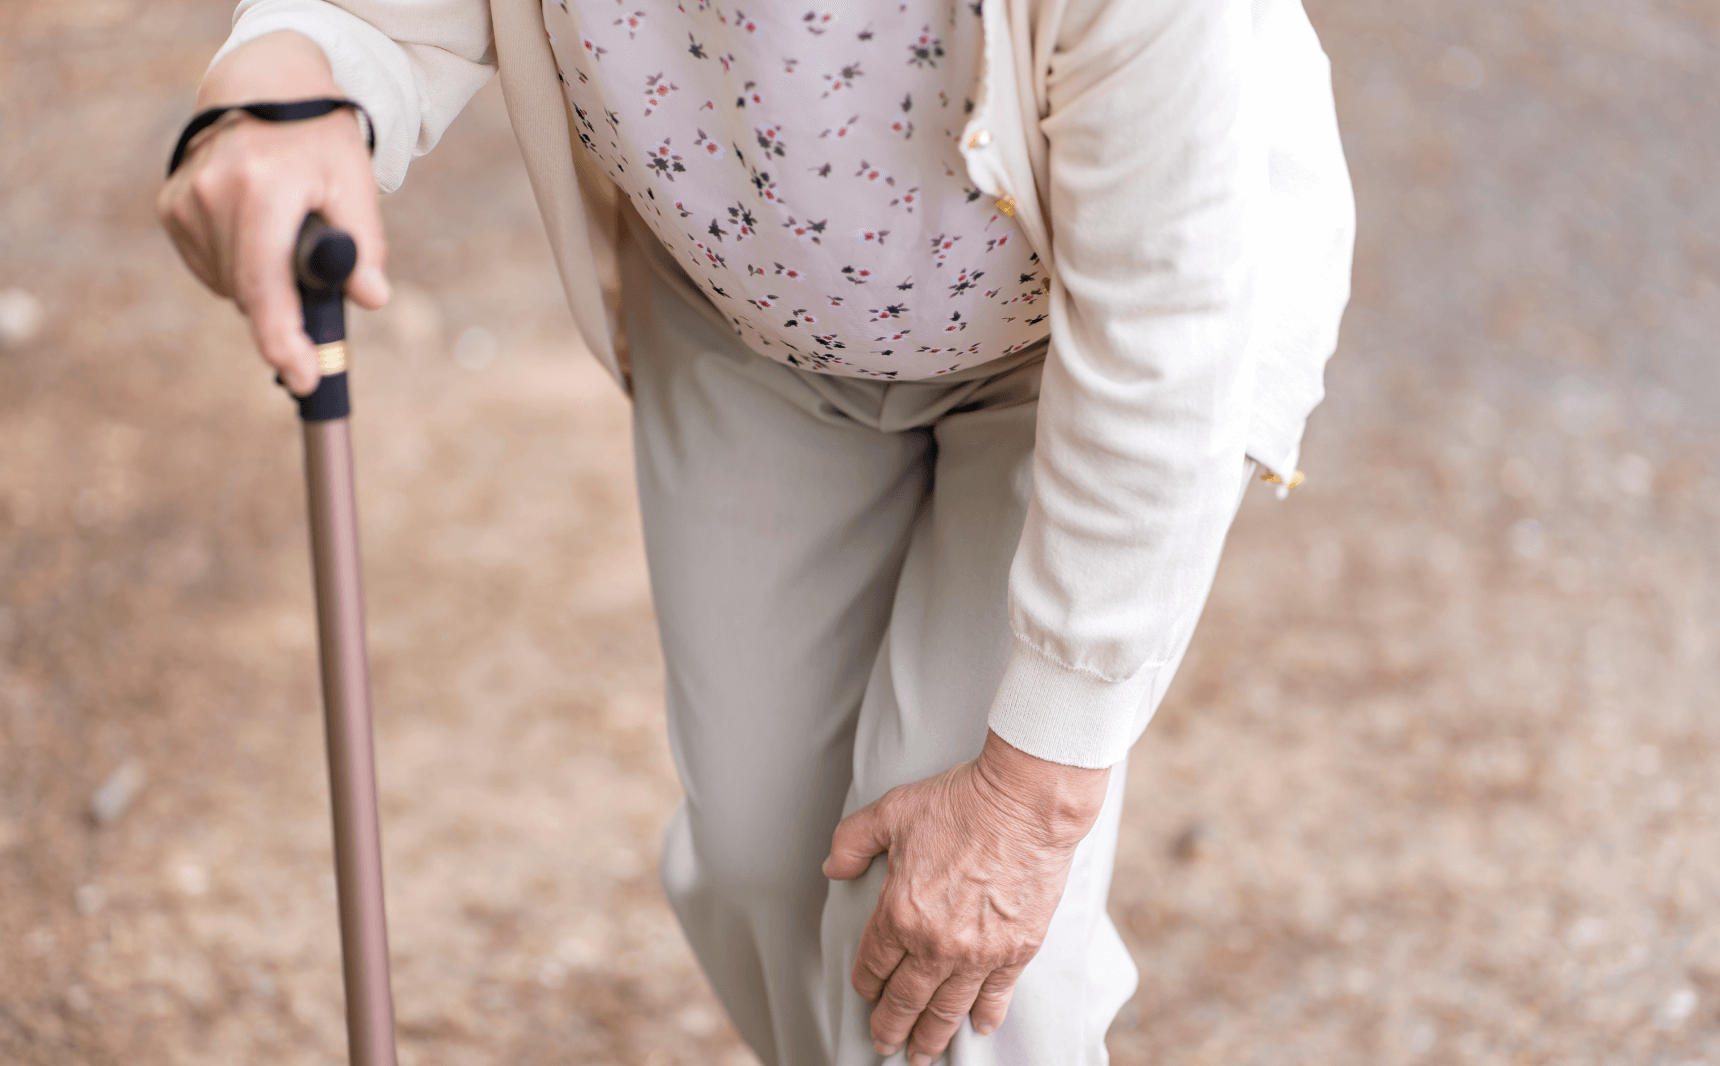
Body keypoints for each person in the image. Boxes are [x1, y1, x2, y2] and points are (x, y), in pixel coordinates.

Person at [157, 1, 1353, 1062]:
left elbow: (1167, 323)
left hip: (1071, 355)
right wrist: (290, 72)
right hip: (740, 318)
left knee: (953, 968)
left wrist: (1031, 793)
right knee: (762, 869)